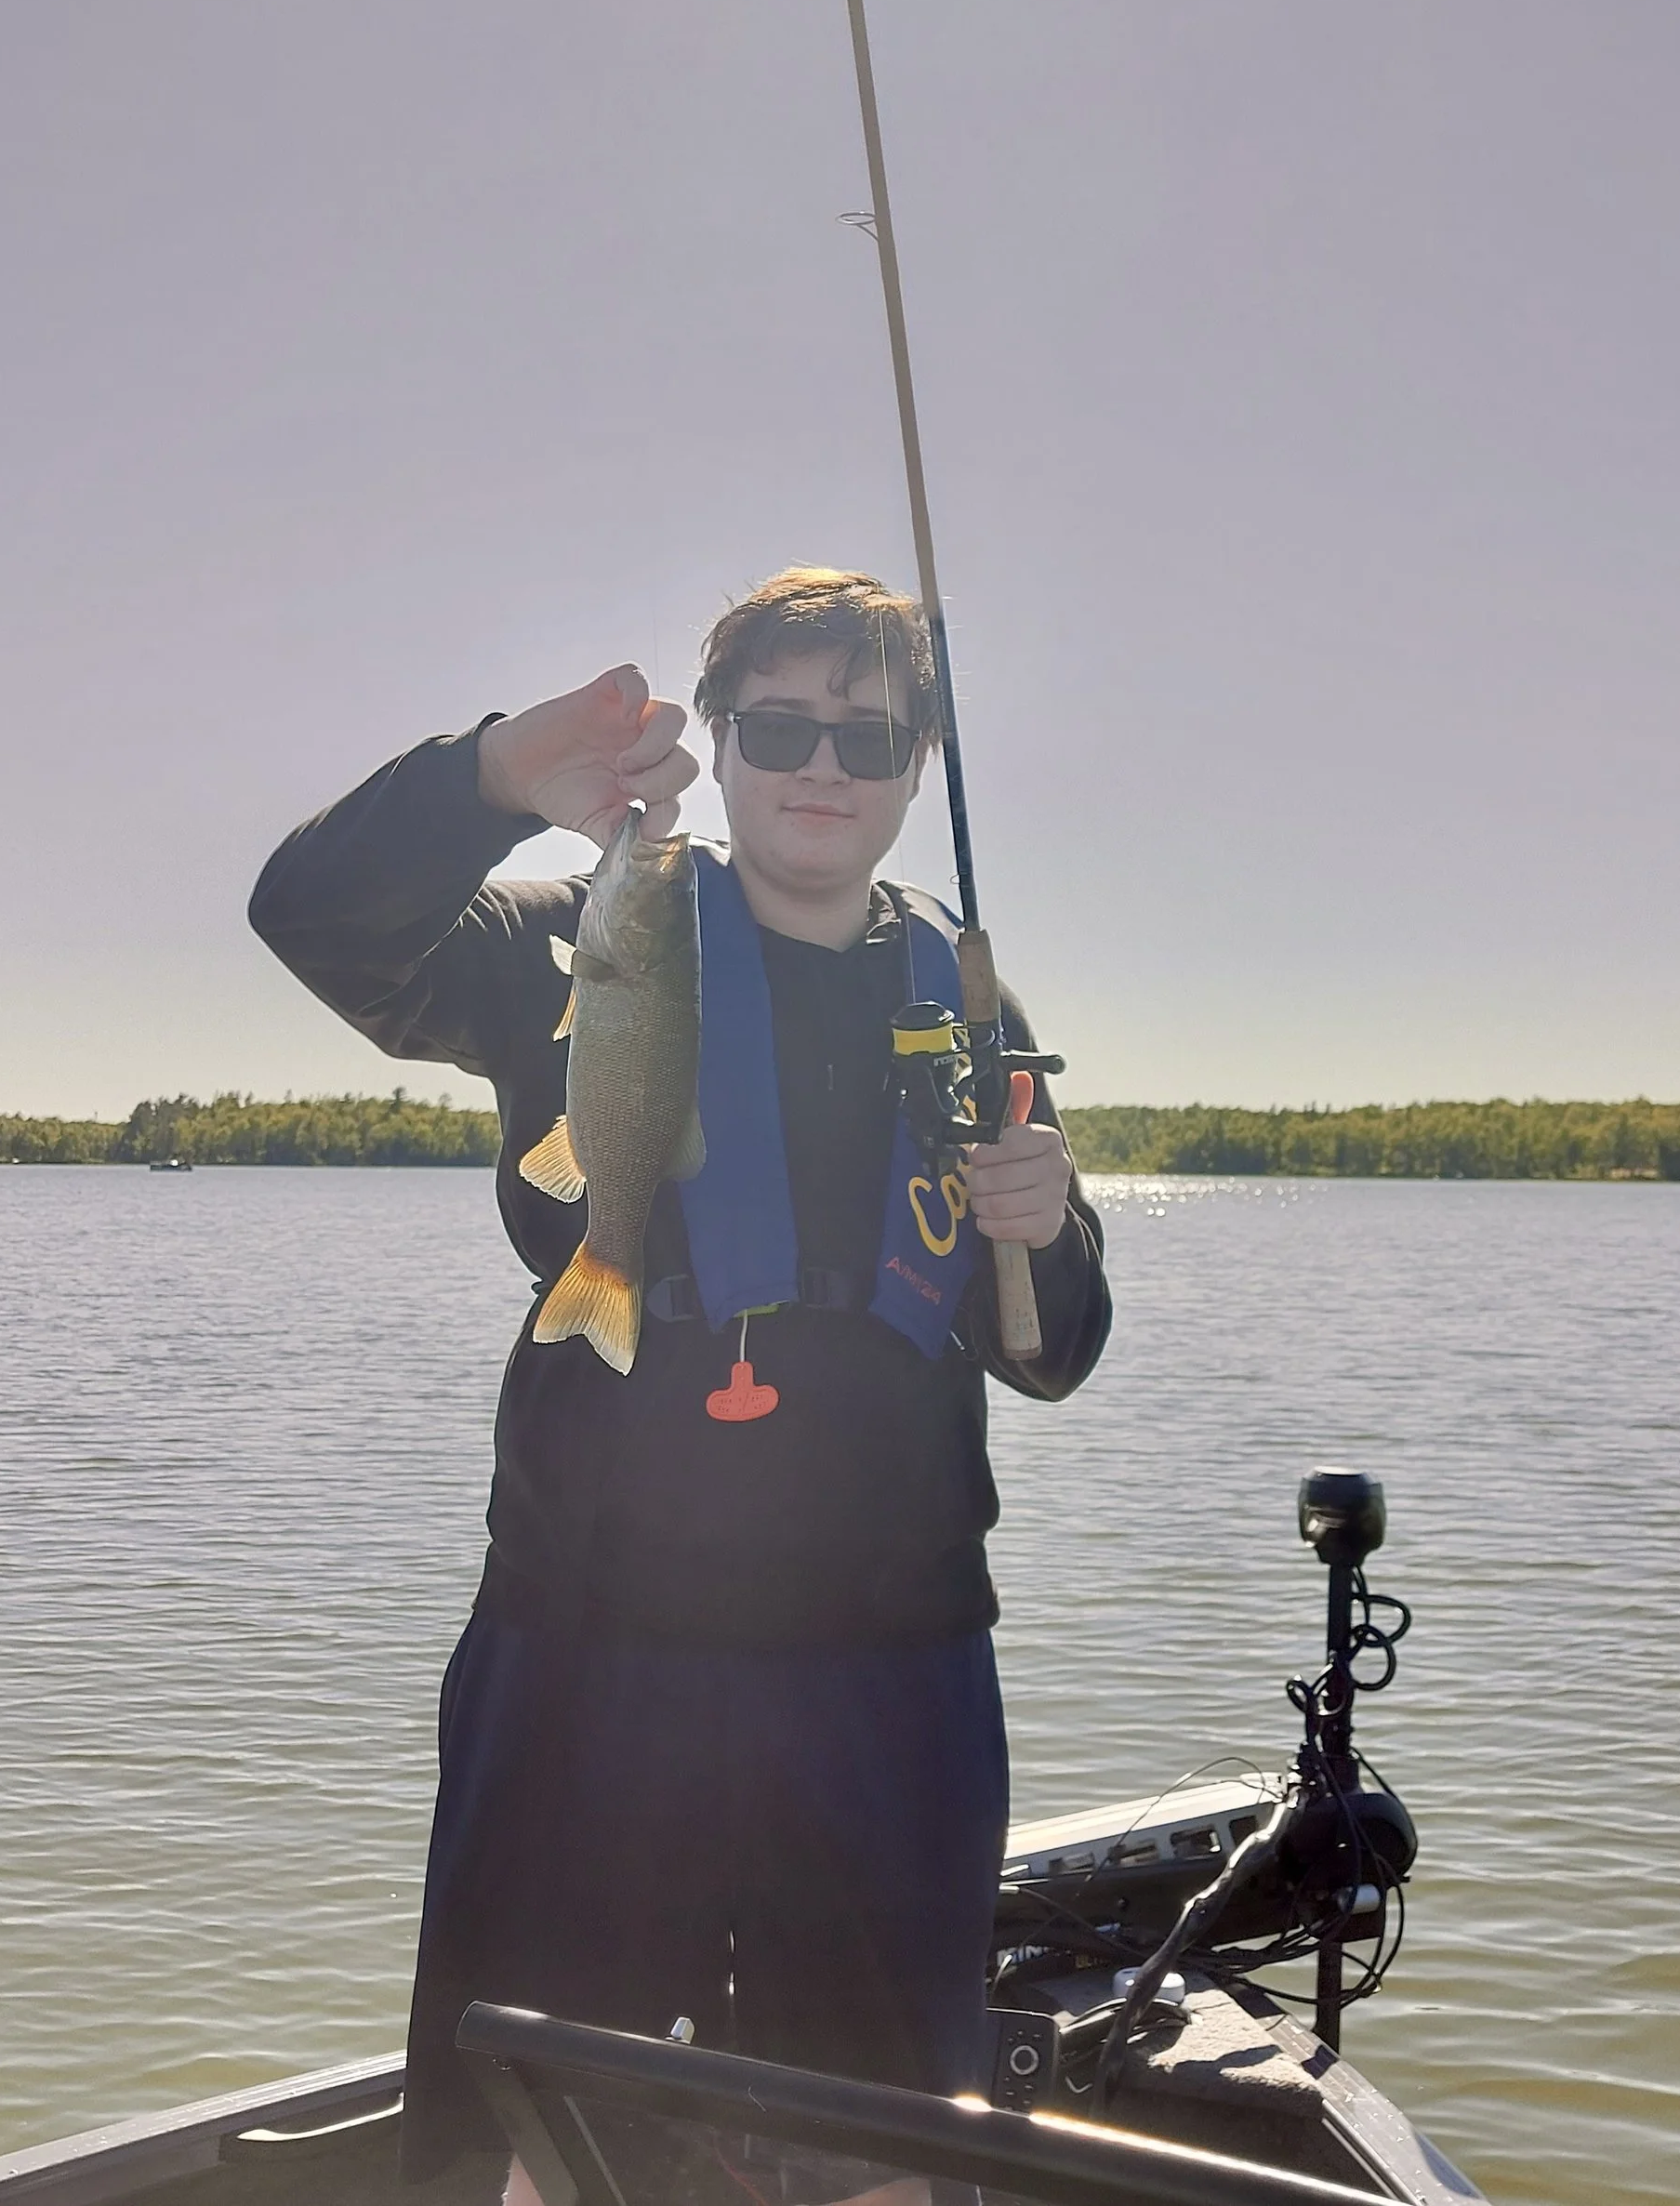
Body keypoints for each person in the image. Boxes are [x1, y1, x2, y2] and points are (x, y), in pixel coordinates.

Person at [248, 567, 1110, 2194]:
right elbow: (312, 918)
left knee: (879, 2139)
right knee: (524, 2131)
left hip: (890, 1659)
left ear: (919, 761)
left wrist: (1048, 1231)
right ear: (718, 740)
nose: (823, 765)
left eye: (869, 732)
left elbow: (1047, 1354)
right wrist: (500, 773)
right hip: (590, 1643)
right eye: (780, 723)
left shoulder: (971, 1004)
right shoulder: (586, 936)